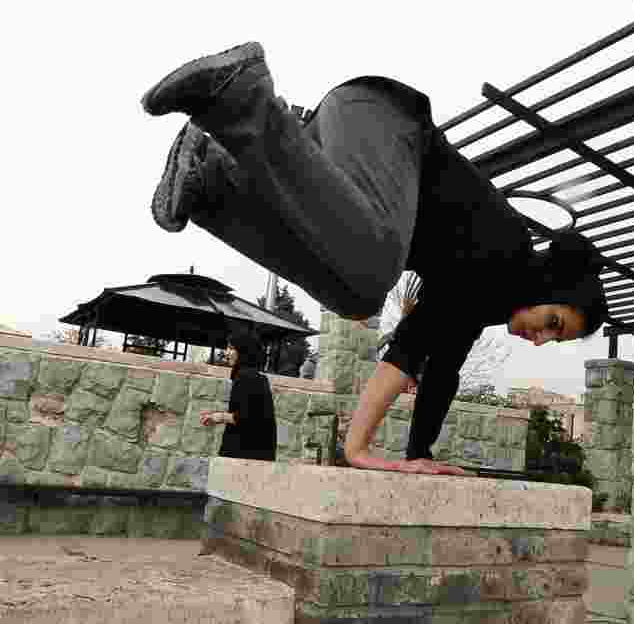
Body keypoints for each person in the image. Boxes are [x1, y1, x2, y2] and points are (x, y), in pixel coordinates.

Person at [141, 42, 608, 476]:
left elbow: (442, 369)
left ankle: (209, 185)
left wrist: (419, 455)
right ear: (548, 288)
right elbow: (412, 345)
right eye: (553, 322)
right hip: (383, 120)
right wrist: (357, 449)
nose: (541, 339)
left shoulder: (487, 297)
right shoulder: (504, 255)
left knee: (356, 295)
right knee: (370, 277)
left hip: (336, 139)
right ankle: (245, 101)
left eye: (553, 339)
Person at [199, 333, 277, 461]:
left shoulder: (245, 377)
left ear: (243, 351)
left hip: (244, 455)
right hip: (257, 454)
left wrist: (218, 417)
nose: (226, 352)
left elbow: (247, 418)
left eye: (231, 348)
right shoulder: (256, 377)